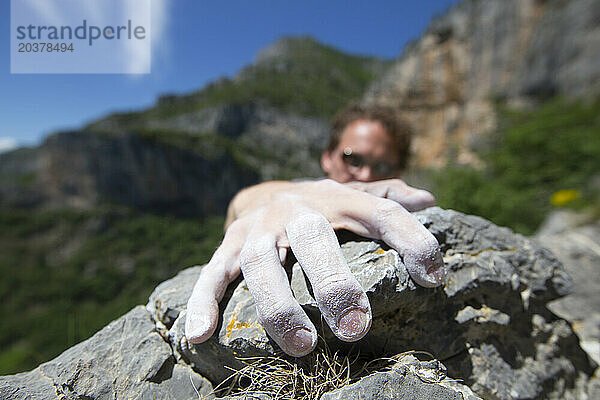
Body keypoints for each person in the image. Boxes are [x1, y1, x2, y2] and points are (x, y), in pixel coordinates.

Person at [185, 104, 446, 357]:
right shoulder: (299, 193)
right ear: (327, 158)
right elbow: (242, 201)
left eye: (383, 167)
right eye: (353, 159)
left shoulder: (409, 215)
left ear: (399, 173)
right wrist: (280, 198)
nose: (365, 175)